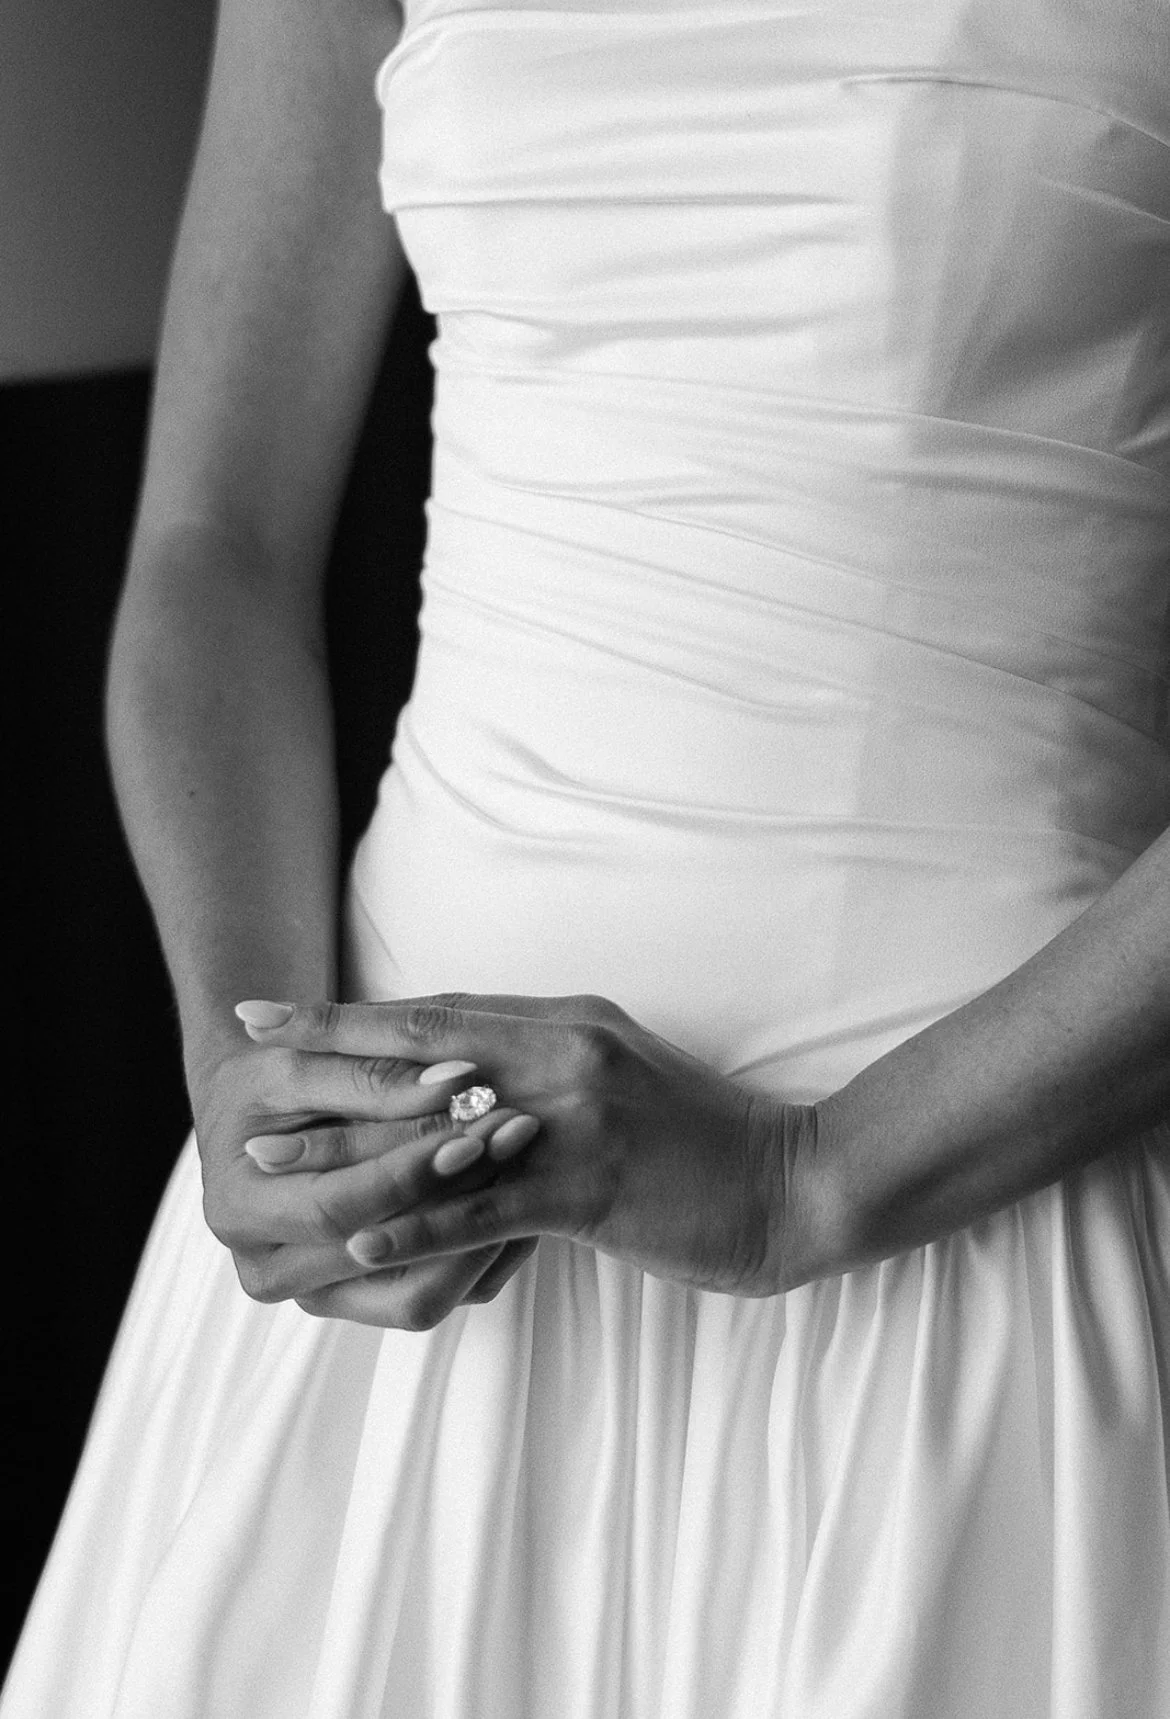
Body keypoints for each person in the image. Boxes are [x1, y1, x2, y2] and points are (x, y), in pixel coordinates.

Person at [3, 0, 1168, 1713]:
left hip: (976, 1223)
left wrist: (809, 1181)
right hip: (402, 1258)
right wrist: (245, 1073)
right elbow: (213, 551)